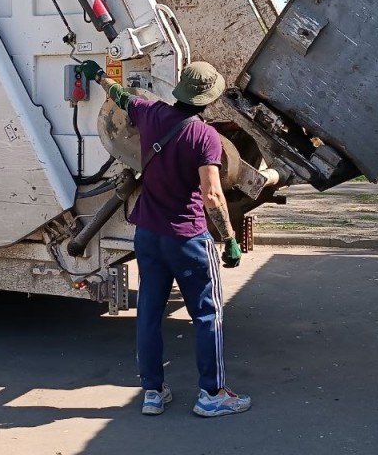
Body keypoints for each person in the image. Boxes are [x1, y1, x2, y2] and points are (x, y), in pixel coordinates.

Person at [78, 59, 251, 418]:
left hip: (148, 234)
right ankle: (212, 394)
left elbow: (121, 96)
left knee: (149, 313)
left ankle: (153, 393)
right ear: (209, 98)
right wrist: (230, 239)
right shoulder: (204, 137)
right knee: (207, 314)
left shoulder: (151, 113)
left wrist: (98, 76)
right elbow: (213, 195)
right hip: (186, 238)